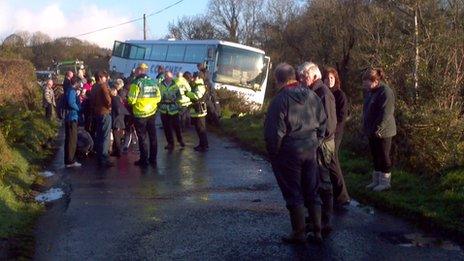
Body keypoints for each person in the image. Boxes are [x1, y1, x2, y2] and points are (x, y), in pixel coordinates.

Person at [264, 63, 327, 244]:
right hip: (310, 149)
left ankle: (299, 233)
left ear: (278, 80)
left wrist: (273, 154)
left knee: (294, 192)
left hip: (289, 152)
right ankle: (317, 230)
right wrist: (316, 142)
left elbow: (273, 133)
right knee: (312, 190)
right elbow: (323, 122)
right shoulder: (312, 95)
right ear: (295, 77)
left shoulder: (280, 100)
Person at [298, 62, 338, 239]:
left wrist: (316, 140)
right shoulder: (314, 92)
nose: (300, 80)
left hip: (322, 143)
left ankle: (326, 221)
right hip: (315, 141)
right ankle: (317, 217)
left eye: (303, 76)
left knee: (323, 181)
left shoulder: (323, 93)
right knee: (314, 181)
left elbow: (329, 125)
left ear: (313, 76)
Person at [363, 68, 396, 192]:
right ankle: (376, 180)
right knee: (375, 155)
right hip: (372, 130)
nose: (364, 84)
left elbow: (386, 113)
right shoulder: (370, 92)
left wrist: (379, 128)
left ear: (375, 81)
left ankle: (385, 182)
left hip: (384, 131)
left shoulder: (386, 92)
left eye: (367, 81)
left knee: (383, 155)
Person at [323, 67, 350, 207]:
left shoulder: (340, 95)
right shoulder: (323, 93)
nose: (330, 81)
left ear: (336, 79)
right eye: (327, 78)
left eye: (332, 78)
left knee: (333, 160)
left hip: (335, 133)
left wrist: (333, 132)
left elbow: (342, 117)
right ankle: (333, 193)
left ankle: (342, 196)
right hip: (325, 133)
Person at [127, 63, 161, 167]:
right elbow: (159, 98)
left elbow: (131, 100)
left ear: (139, 71)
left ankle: (144, 160)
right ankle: (153, 159)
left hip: (140, 114)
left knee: (142, 138)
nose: (135, 72)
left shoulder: (136, 83)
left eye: (136, 70)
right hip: (152, 113)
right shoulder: (153, 82)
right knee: (153, 136)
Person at [91, 70, 114, 167]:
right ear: (100, 78)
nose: (106, 79)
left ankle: (99, 156)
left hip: (97, 112)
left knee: (99, 135)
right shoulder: (103, 86)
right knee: (105, 136)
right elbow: (108, 99)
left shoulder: (94, 87)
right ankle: (104, 158)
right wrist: (110, 105)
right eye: (104, 77)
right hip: (104, 112)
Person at [158, 71, 185, 150]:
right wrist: (161, 101)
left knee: (176, 126)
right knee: (166, 128)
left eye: (169, 76)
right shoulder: (160, 86)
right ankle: (170, 143)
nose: (168, 78)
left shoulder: (175, 86)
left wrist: (174, 100)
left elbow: (179, 96)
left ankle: (180, 140)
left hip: (173, 109)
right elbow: (158, 96)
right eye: (166, 76)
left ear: (172, 77)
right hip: (164, 109)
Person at [186, 72, 209, 152]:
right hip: (198, 110)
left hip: (200, 111)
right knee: (199, 129)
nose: (194, 79)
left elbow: (197, 96)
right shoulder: (197, 86)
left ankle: (204, 146)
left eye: (195, 77)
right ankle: (202, 144)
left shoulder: (200, 86)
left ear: (199, 78)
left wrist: (188, 93)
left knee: (201, 129)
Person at [64, 77, 82, 168]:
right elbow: (71, 103)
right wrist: (79, 108)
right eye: (80, 83)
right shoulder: (72, 91)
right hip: (72, 117)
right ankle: (70, 160)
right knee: (72, 139)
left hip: (70, 117)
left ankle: (68, 159)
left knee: (69, 139)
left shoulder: (69, 90)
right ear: (76, 83)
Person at [110, 79, 129, 157]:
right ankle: (116, 150)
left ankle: (118, 151)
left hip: (118, 119)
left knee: (117, 136)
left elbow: (118, 109)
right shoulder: (119, 96)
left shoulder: (116, 97)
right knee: (118, 135)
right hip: (120, 118)